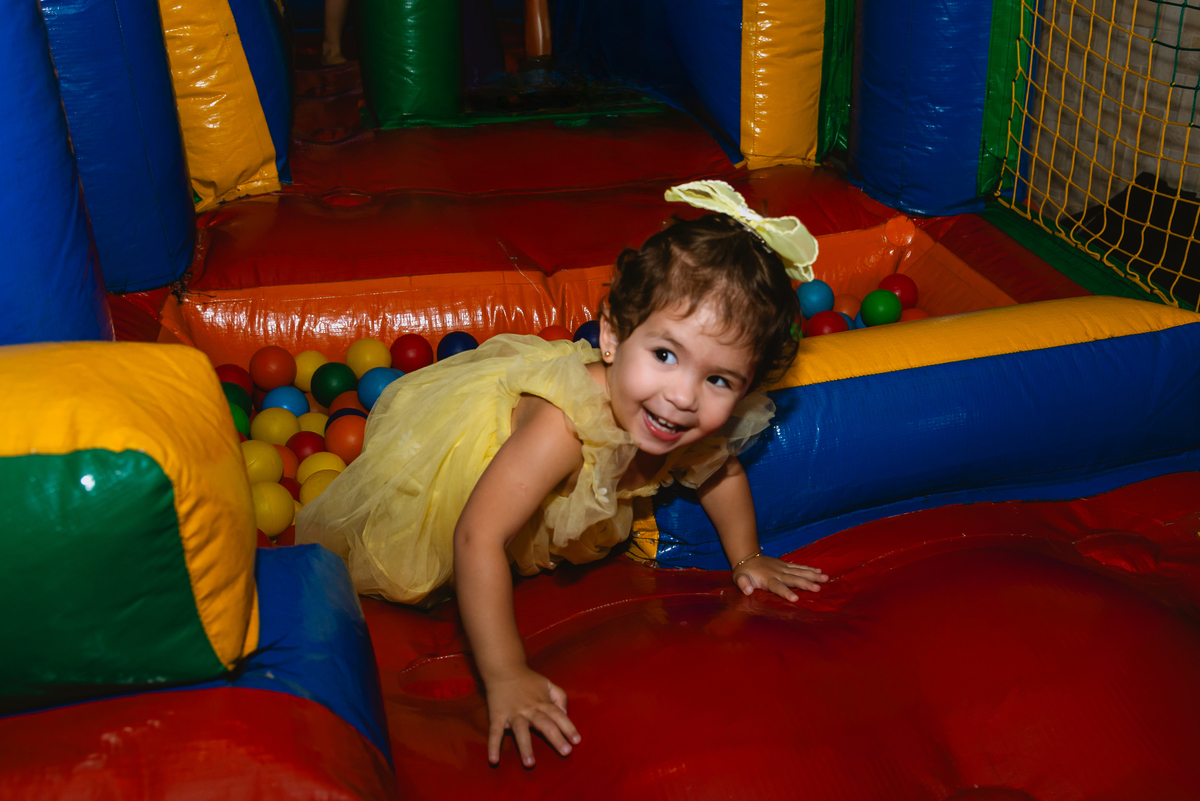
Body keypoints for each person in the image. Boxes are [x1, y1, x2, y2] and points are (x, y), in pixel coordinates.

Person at [296, 180, 826, 767]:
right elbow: (478, 536)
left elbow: (718, 471)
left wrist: (747, 558)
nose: (683, 396)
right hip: (473, 468)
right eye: (665, 355)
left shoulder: (681, 420)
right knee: (407, 560)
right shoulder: (562, 430)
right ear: (612, 336)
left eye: (720, 379)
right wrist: (505, 674)